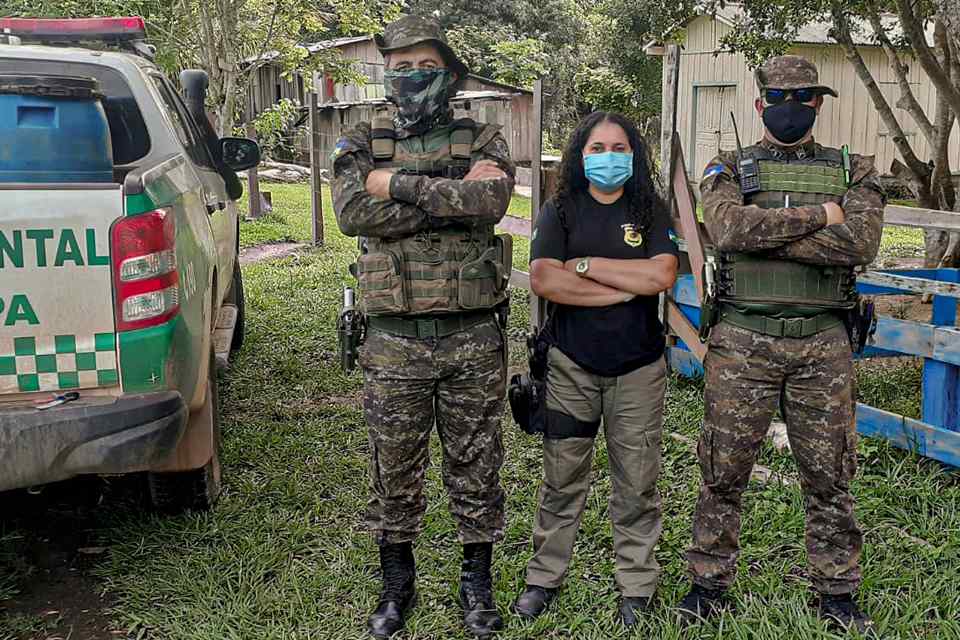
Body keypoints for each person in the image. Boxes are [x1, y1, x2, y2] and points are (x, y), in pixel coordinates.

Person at [676, 55, 885, 634]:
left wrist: (766, 232)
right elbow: (724, 231)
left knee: (830, 473)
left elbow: (859, 243)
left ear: (819, 103)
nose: (789, 108)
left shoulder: (855, 167)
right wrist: (822, 216)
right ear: (759, 101)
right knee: (724, 468)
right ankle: (708, 583)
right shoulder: (728, 166)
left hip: (824, 343)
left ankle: (838, 592)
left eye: (803, 98)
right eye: (778, 97)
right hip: (743, 340)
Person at [331, 14, 515, 640]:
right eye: (400, 66)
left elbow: (490, 204)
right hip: (393, 338)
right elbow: (355, 213)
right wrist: (446, 198)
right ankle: (396, 581)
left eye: (425, 67)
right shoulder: (359, 138)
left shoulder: (485, 137)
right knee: (395, 463)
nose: (411, 77)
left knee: (477, 462)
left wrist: (399, 187)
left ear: (452, 73)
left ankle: (476, 584)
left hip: (472, 337)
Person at [511, 112, 679, 627]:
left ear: (634, 154)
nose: (608, 156)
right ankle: (543, 577)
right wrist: (626, 287)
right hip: (569, 367)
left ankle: (637, 584)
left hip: (639, 368)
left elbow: (663, 273)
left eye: (619, 146)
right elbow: (544, 279)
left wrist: (584, 266)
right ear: (580, 156)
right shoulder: (560, 209)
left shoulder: (650, 207)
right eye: (597, 147)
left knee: (637, 482)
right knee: (561, 480)